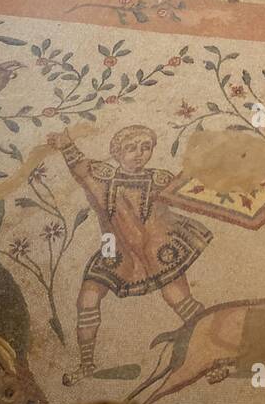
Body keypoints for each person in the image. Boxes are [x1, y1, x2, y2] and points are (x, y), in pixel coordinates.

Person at [48, 124, 212, 383]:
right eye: (131, 148)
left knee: (180, 301)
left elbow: (190, 192)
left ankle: (212, 357)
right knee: (87, 299)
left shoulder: (158, 178)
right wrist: (65, 143)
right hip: (116, 250)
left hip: (156, 251)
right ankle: (87, 365)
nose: (140, 153)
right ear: (116, 151)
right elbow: (79, 166)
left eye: (146, 148)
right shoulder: (102, 176)